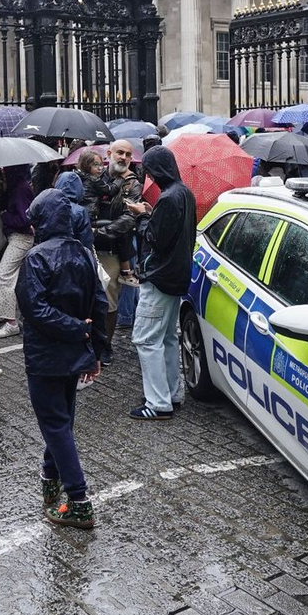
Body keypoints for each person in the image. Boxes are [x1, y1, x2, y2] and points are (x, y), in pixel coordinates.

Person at [15, 189, 107, 528]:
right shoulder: (83, 253)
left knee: (55, 424)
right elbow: (99, 303)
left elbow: (34, 309)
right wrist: (94, 348)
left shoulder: (36, 258)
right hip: (71, 353)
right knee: (61, 421)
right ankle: (50, 478)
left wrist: (79, 333)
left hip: (46, 356)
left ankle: (79, 498)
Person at [125, 145, 195, 421]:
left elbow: (154, 239)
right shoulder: (185, 193)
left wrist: (142, 216)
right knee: (166, 337)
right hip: (176, 276)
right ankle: (171, 393)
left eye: (150, 170)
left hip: (159, 277)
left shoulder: (168, 198)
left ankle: (157, 402)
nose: (148, 175)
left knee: (145, 338)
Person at [86, 140, 145, 363]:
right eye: (119, 152)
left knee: (109, 299)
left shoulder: (132, 183)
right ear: (109, 153)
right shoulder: (94, 175)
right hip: (87, 246)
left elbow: (130, 217)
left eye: (128, 154)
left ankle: (104, 345)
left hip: (111, 249)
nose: (123, 157)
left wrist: (101, 232)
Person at [0, 164, 34, 339]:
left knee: (4, 277)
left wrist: (5, 214)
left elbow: (24, 219)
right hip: (19, 237)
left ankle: (11, 322)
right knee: (14, 278)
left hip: (21, 238)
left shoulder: (20, 189)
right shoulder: (20, 186)